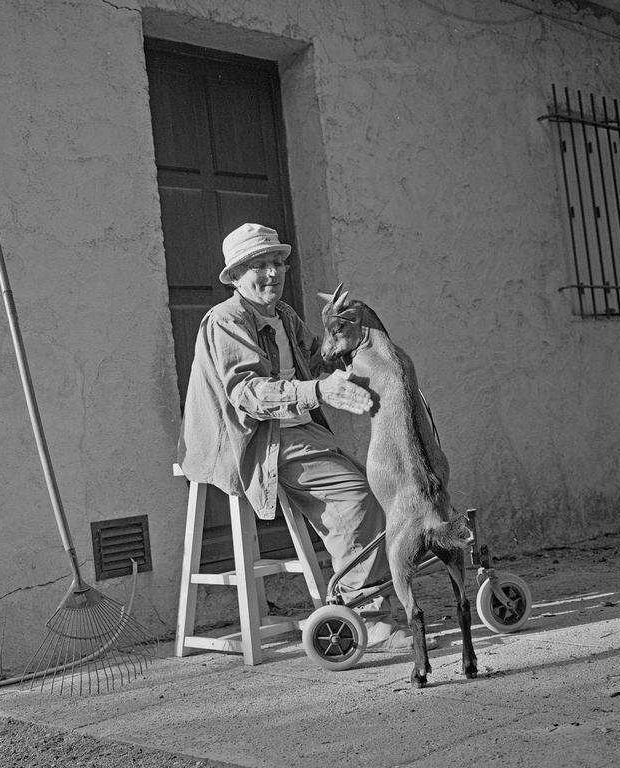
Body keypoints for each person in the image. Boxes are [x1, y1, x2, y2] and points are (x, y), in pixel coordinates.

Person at [177, 222, 435, 652]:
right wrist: (319, 390)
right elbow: (248, 394)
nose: (272, 274)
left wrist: (367, 360)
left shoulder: (284, 316)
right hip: (252, 438)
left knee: (382, 489)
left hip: (296, 431)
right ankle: (368, 614)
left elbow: (319, 361)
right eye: (259, 265)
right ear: (236, 276)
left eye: (277, 263)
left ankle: (377, 596)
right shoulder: (226, 321)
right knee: (356, 498)